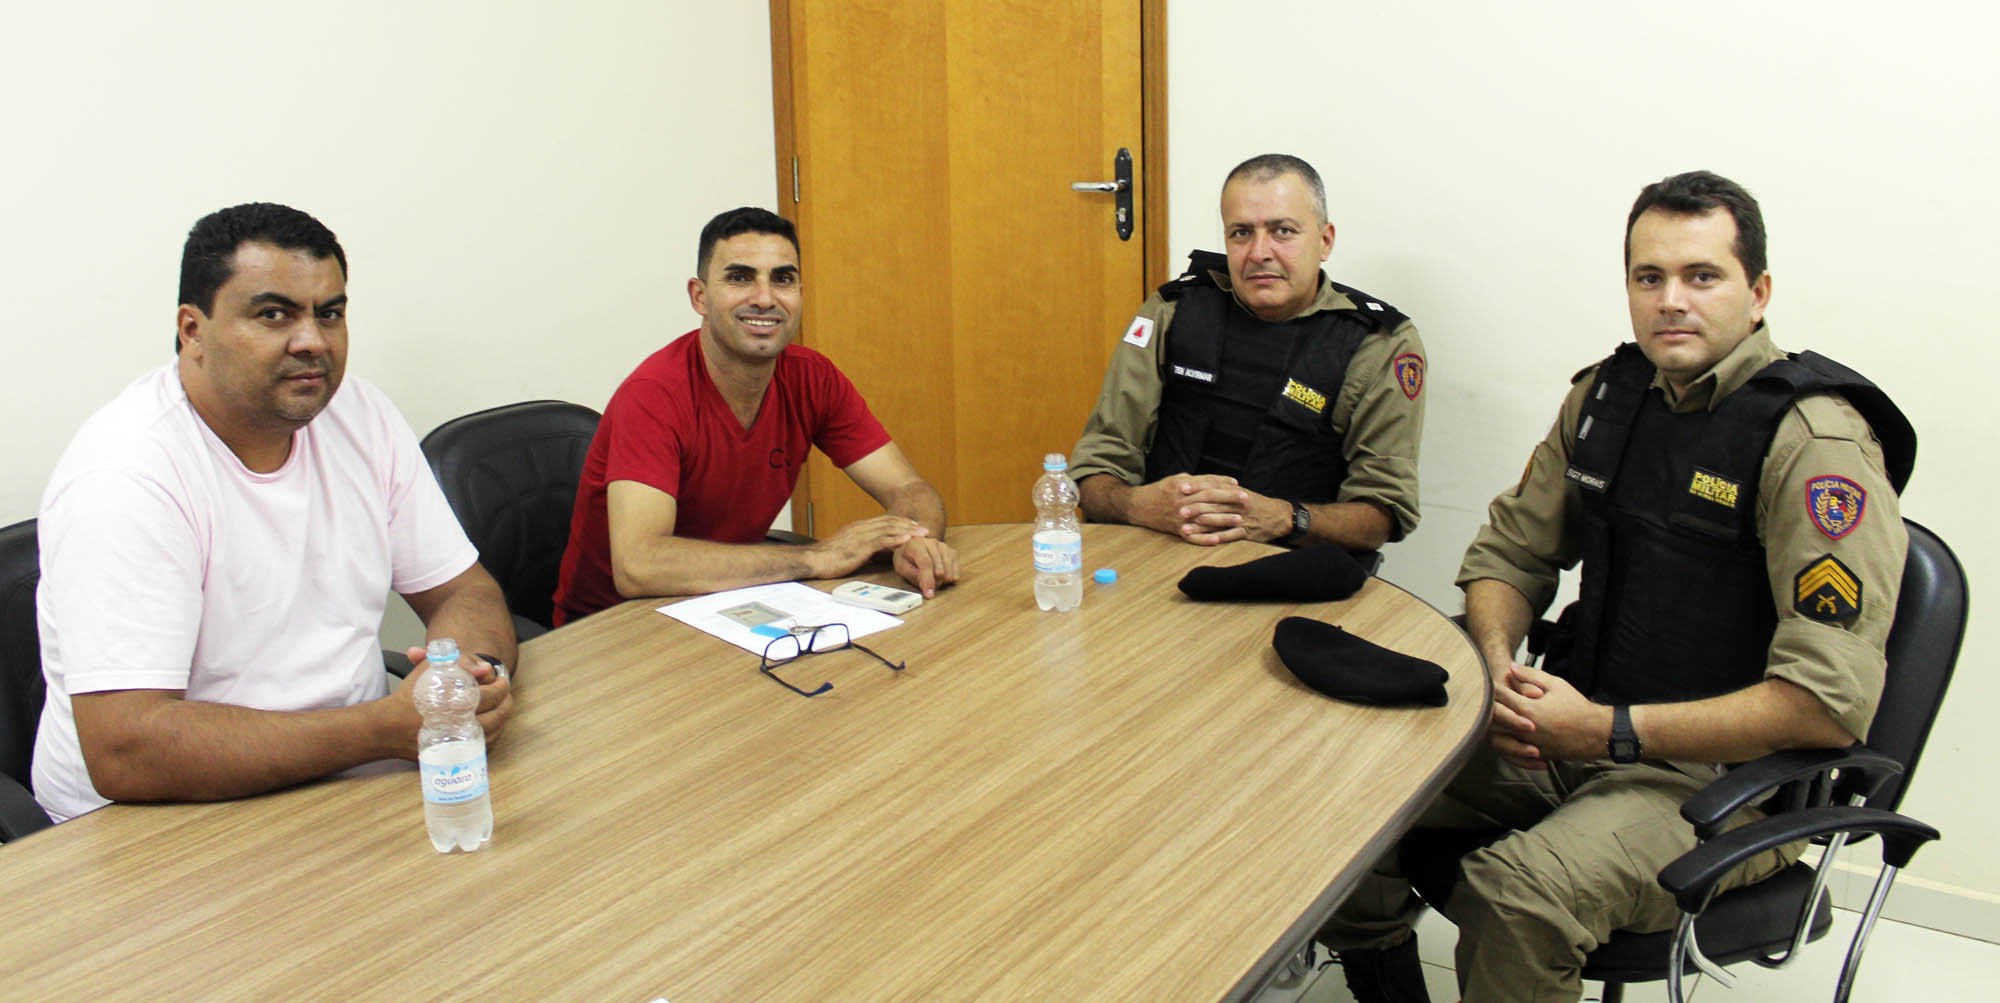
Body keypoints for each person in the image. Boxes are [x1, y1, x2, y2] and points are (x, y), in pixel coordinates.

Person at [1320, 170, 1913, 1003]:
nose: (1672, 299)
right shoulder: (1607, 398)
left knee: (1518, 890)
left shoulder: (1814, 444)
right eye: (1649, 277)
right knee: (1344, 779)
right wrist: (1495, 667)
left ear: (1758, 291)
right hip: (1575, 724)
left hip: (1718, 783)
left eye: (1701, 276)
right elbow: (1508, 554)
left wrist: (1604, 730)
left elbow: (1826, 703)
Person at [32, 203, 517, 824]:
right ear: (192, 331)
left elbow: (463, 591)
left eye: (330, 313)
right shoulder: (126, 475)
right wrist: (380, 729)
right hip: (150, 824)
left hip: (347, 781)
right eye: (273, 314)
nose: (312, 340)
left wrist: (471, 683)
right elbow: (127, 747)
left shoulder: (359, 416)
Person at [553, 207, 958, 624]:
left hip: (728, 606)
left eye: (782, 279)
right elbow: (639, 566)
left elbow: (908, 487)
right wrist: (817, 557)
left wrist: (916, 540)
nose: (765, 298)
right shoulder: (654, 395)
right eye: (740, 277)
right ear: (699, 296)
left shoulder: (813, 378)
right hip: (615, 629)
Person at [1068, 153, 1425, 553]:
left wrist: (1283, 518)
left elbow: (1382, 514)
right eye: (1241, 233)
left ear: (1324, 241)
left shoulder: (1379, 343)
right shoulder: (1173, 310)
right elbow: (1096, 467)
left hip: (1294, 568)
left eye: (1283, 231)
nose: (1259, 253)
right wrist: (1137, 504)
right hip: (1159, 553)